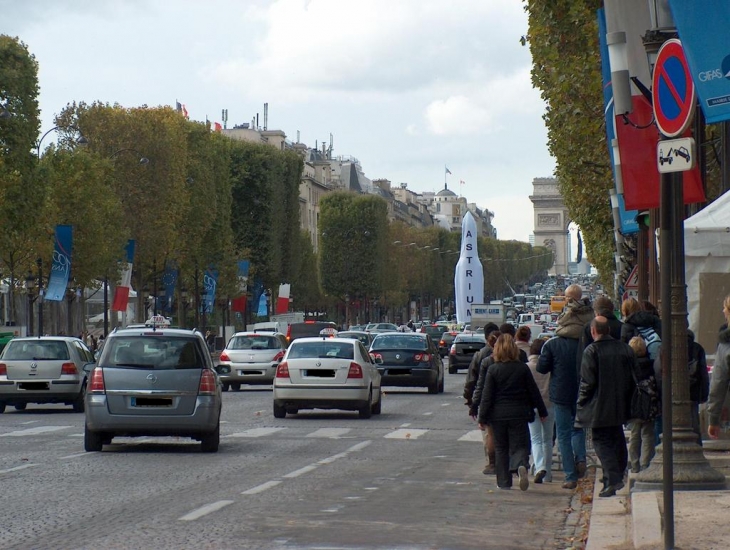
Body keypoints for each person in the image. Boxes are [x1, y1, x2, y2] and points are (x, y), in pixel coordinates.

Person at [537, 283, 593, 490]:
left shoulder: (552, 344)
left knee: (563, 434)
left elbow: (542, 368)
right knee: (578, 429)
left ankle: (570, 476)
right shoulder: (587, 343)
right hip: (582, 389)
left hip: (560, 393)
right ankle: (581, 459)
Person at [478, 334, 548, 491]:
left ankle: (504, 481)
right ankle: (521, 464)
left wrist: (482, 417)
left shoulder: (493, 369)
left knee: (501, 447)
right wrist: (542, 410)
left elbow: (487, 396)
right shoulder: (522, 368)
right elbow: (533, 391)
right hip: (519, 412)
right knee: (521, 444)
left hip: (498, 414)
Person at [576, 316, 635, 497]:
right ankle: (615, 475)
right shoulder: (625, 349)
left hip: (599, 404)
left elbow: (588, 381)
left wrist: (581, 401)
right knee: (616, 438)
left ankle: (613, 477)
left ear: (594, 331)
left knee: (601, 441)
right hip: (621, 402)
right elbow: (634, 375)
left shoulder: (592, 351)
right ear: (608, 330)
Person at [627, 336, 657, 472]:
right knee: (648, 434)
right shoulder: (652, 365)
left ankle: (634, 464)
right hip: (649, 404)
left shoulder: (628, 366)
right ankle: (645, 462)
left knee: (634, 434)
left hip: (634, 404)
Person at [527, 337, 553, 483]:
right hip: (549, 404)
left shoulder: (527, 367)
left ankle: (539, 466)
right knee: (547, 440)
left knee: (535, 439)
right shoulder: (550, 367)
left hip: (532, 406)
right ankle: (547, 474)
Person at [707, 295, 730, 440]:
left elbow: (718, 384)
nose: (723, 311)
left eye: (725, 308)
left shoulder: (726, 346)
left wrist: (713, 418)